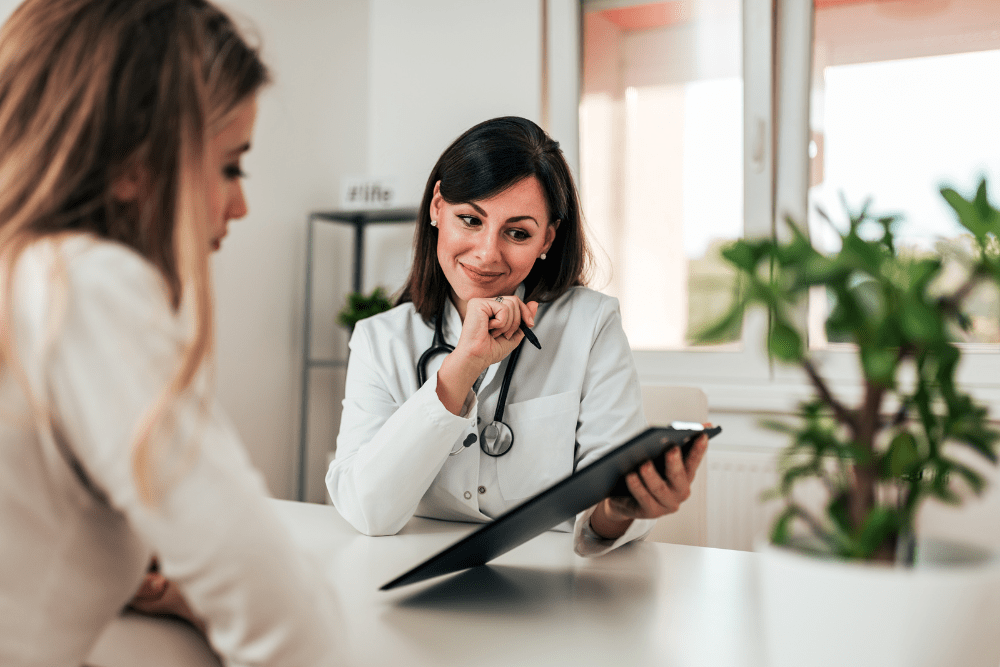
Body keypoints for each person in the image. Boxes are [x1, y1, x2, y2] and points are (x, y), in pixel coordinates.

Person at [0, 1, 342, 665]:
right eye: (230, 166)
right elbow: (288, 620)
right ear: (133, 164)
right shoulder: (82, 285)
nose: (240, 204)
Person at [326, 116, 709, 555]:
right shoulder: (380, 340)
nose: (487, 253)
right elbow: (367, 511)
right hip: (413, 573)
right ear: (437, 207)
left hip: (555, 586)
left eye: (518, 233)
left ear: (548, 237)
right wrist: (461, 366)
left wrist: (621, 509)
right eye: (470, 219)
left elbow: (602, 506)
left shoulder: (591, 324)